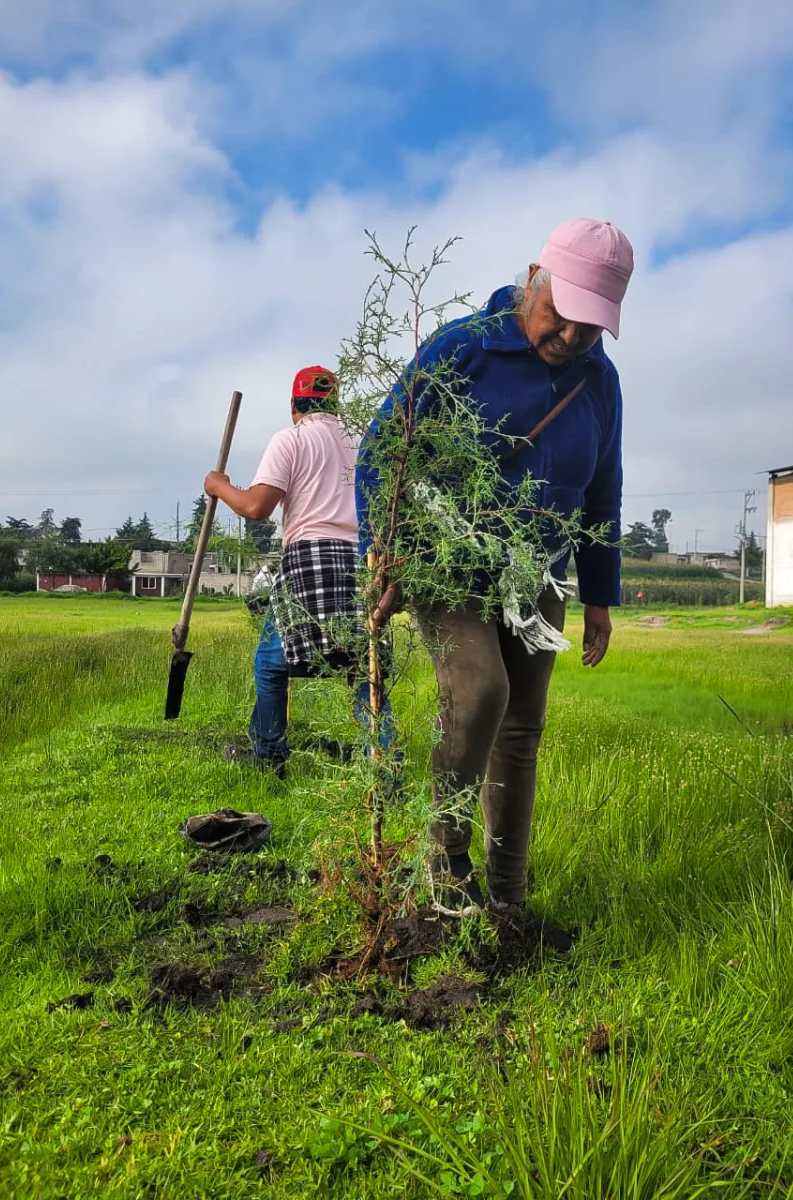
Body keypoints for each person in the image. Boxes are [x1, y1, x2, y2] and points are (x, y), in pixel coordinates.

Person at [357, 217, 633, 919]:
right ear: (536, 281)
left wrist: (600, 594)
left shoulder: (599, 383)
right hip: (450, 561)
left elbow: (603, 490)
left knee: (522, 727)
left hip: (537, 577)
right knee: (481, 693)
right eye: (563, 317)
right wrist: (384, 548)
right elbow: (383, 449)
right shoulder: (465, 349)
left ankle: (508, 896)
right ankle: (447, 873)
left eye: (591, 328)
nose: (571, 338)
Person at [205, 365, 393, 774]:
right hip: (362, 563)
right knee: (365, 666)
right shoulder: (361, 442)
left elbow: (258, 507)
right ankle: (383, 766)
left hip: (309, 559)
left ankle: (269, 757)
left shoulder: (291, 438)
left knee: (271, 665)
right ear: (336, 404)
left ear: (295, 406)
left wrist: (218, 486)